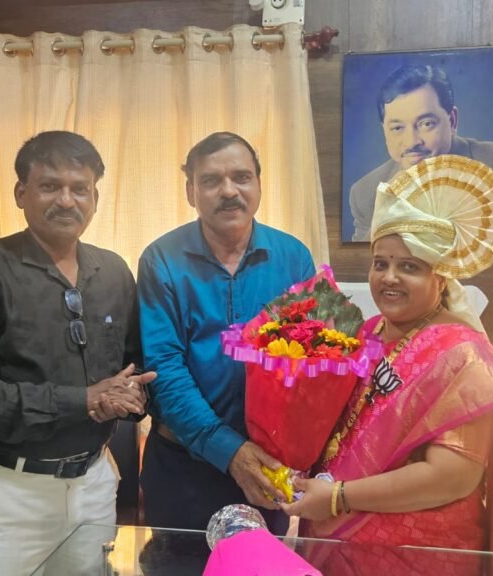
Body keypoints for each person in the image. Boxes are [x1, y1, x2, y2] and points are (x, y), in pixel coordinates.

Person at [285, 155, 493, 576]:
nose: (389, 277)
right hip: (339, 545)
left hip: (420, 556)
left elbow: (452, 477)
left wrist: (338, 497)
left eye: (409, 267)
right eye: (380, 263)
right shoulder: (367, 333)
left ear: (441, 277)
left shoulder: (463, 357)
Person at [0, 130, 152, 576]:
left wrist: (132, 396)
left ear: (95, 198)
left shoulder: (114, 271)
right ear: (20, 193)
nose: (66, 200)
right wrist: (81, 400)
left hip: (94, 482)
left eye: (80, 188)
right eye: (50, 186)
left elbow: (134, 365)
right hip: (10, 491)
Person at [138, 132, 316, 539]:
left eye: (241, 177)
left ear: (259, 183)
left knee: (262, 565)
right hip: (183, 468)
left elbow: (311, 363)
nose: (229, 191)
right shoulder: (161, 260)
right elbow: (164, 368)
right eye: (211, 180)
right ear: (191, 191)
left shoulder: (293, 258)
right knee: (177, 566)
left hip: (266, 468)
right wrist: (230, 451)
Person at [349, 64, 493, 241]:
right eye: (397, 128)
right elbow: (362, 254)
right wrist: (386, 209)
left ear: (452, 121)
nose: (412, 141)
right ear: (384, 131)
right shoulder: (365, 194)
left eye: (426, 124)